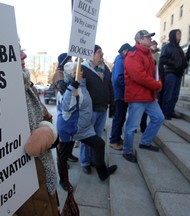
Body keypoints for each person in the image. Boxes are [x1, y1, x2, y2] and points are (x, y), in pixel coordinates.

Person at [13, 47, 59, 216]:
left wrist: (49, 132)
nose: (24, 55)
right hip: (23, 198)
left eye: (21, 49)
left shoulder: (27, 85)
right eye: (15, 49)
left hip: (45, 184)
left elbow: (47, 118)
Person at [57, 62, 117, 188]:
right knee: (63, 156)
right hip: (69, 128)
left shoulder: (82, 83)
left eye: (80, 70)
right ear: (69, 74)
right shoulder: (65, 88)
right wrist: (71, 86)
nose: (80, 72)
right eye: (75, 71)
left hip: (83, 127)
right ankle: (64, 181)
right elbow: (66, 107)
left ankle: (102, 172)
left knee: (99, 144)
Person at [122, 30, 165, 163]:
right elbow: (139, 76)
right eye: (147, 37)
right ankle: (127, 150)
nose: (150, 39)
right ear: (139, 40)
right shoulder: (133, 54)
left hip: (148, 95)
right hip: (137, 96)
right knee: (131, 126)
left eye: (150, 37)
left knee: (159, 118)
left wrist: (157, 83)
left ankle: (145, 142)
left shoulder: (148, 54)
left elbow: (152, 74)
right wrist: (156, 86)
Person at [80, 45, 114, 174]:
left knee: (97, 137)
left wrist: (112, 102)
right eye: (99, 52)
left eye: (101, 51)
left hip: (103, 108)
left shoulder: (105, 68)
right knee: (87, 137)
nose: (102, 54)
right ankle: (85, 162)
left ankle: (95, 160)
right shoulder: (83, 68)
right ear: (91, 54)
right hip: (89, 110)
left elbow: (110, 86)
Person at [52, 52, 79, 163]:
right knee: (62, 139)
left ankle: (68, 154)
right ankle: (62, 158)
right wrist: (60, 83)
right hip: (63, 111)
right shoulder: (59, 72)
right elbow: (59, 81)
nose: (71, 61)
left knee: (70, 138)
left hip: (71, 110)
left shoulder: (69, 70)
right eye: (69, 60)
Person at [159, 29, 188, 120]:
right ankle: (165, 112)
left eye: (180, 33)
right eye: (178, 34)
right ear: (173, 35)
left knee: (175, 95)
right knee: (168, 94)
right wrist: (175, 63)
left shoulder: (179, 48)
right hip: (170, 73)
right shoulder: (166, 47)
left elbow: (181, 60)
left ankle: (171, 111)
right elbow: (162, 59)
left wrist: (184, 64)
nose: (180, 35)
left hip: (178, 73)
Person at [109, 43, 132, 151]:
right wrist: (128, 87)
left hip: (121, 94)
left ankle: (117, 138)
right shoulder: (120, 61)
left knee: (121, 118)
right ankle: (113, 140)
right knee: (118, 118)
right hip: (120, 95)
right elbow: (118, 79)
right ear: (124, 51)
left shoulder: (120, 60)